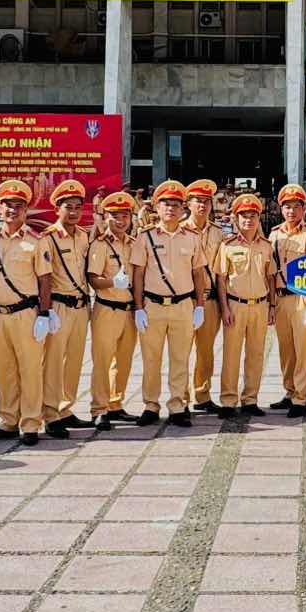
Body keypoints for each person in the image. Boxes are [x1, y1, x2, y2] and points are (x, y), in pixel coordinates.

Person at [0, 179, 59, 443]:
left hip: (27, 314)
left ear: (26, 210)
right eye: (7, 205)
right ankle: (8, 421)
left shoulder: (36, 241)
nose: (12, 210)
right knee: (4, 370)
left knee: (30, 370)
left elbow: (45, 280)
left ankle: (30, 423)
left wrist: (44, 314)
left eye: (18, 206)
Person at [131, 180, 208, 427]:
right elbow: (138, 274)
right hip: (152, 306)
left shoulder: (192, 238)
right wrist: (138, 307)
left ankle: (177, 406)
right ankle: (150, 405)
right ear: (157, 206)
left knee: (180, 358)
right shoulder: (145, 237)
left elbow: (198, 274)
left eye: (176, 205)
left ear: (183, 209)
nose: (171, 209)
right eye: (166, 204)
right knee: (150, 358)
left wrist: (199, 305)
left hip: (183, 306)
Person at [215, 193, 276, 418]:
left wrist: (272, 306)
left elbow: (270, 277)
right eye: (243, 216)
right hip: (235, 305)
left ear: (259, 218)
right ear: (236, 219)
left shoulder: (266, 246)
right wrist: (225, 309)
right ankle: (228, 401)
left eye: (252, 216)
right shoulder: (228, 246)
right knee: (231, 354)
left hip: (259, 306)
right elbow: (221, 279)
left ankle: (250, 399)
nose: (248, 220)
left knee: (256, 354)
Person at [87, 191, 140, 430]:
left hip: (129, 310)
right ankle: (99, 408)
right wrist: (112, 283)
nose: (121, 220)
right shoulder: (100, 244)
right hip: (107, 308)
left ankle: (116, 404)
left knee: (124, 360)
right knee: (102, 360)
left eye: (125, 215)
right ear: (105, 216)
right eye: (115, 215)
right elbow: (94, 279)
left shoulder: (134, 243)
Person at [268, 184, 306, 417]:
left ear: (304, 210)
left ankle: (301, 398)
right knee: (285, 350)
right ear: (281, 209)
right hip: (281, 298)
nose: (291, 211)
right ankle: (289, 391)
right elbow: (270, 272)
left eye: (296, 207)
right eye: (287, 207)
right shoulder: (274, 234)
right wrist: (271, 303)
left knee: (302, 350)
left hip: (302, 298)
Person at [44, 179, 94, 430]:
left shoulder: (85, 237)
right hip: (59, 306)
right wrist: (45, 311)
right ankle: (50, 413)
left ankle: (66, 407)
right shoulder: (48, 238)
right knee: (53, 360)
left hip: (81, 306)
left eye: (77, 207)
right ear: (57, 209)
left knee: (74, 359)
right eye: (68, 207)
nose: (73, 212)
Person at [184, 179, 225, 414]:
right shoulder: (179, 231)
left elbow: (221, 270)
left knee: (206, 350)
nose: (202, 205)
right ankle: (180, 398)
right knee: (181, 351)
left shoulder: (218, 233)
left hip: (210, 300)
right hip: (185, 300)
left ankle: (202, 394)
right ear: (188, 203)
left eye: (206, 201)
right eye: (198, 201)